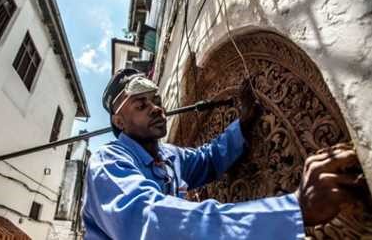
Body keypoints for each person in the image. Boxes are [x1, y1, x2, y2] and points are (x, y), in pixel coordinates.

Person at [82, 68, 365, 239]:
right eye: (141, 106)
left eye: (155, 100)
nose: (156, 108)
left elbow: (208, 159)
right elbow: (152, 221)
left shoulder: (168, 156)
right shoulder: (109, 163)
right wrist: (293, 210)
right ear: (119, 123)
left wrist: (241, 124)